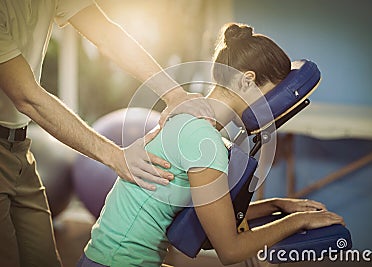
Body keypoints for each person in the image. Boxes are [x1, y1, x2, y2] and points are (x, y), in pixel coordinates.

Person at [78, 23, 345, 267]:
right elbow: (229, 249)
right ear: (246, 80)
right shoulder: (204, 141)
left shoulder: (192, 125)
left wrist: (278, 205)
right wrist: (300, 221)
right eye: (271, 94)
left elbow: (212, 220)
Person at [0, 1, 215, 267]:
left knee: (43, 259)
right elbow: (27, 97)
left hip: (19, 148)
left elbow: (108, 35)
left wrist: (175, 94)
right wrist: (116, 157)